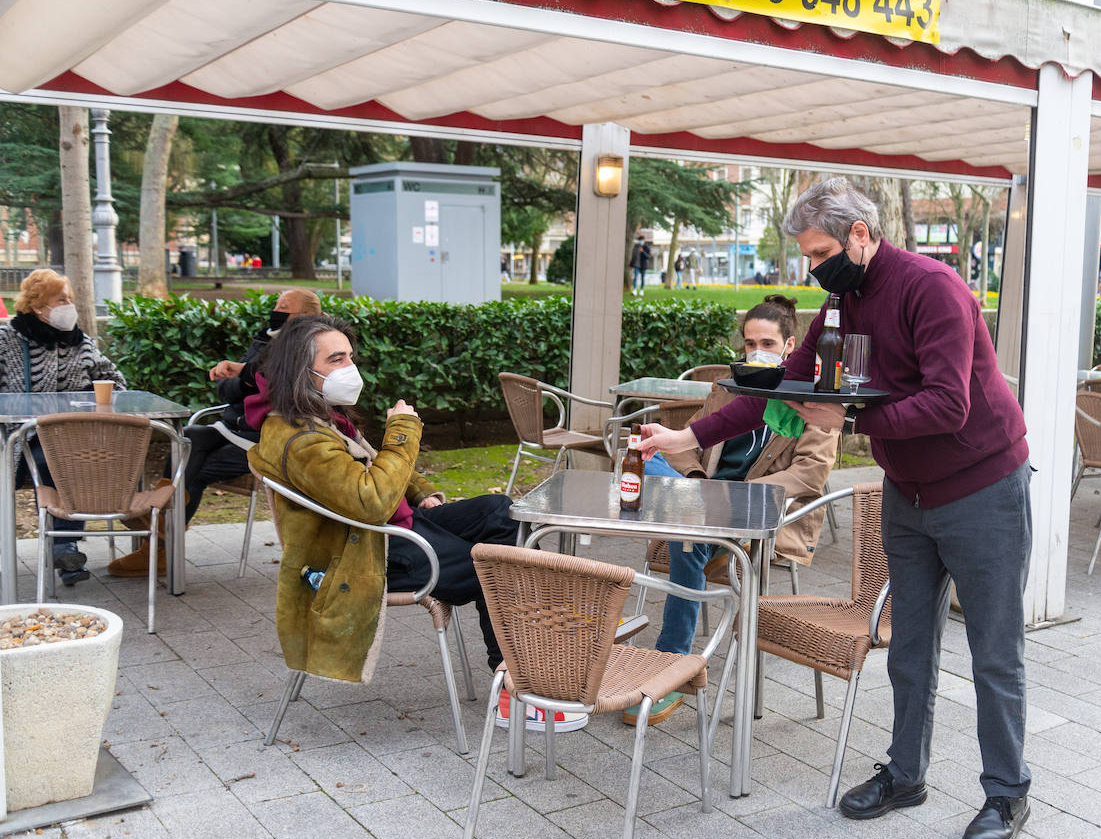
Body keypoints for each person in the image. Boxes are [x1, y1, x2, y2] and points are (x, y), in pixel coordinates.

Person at [639, 178, 1033, 839]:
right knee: (909, 648)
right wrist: (688, 439)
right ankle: (907, 775)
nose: (813, 267)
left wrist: (849, 418)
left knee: (993, 651)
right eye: (806, 256)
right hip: (909, 495)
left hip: (982, 488)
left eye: (820, 251)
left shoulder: (932, 289)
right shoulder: (840, 302)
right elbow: (784, 388)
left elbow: (948, 405)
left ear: (860, 233)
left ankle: (1006, 790)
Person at [245, 316, 583, 729]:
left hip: (393, 529)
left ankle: (540, 626)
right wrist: (403, 431)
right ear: (302, 370)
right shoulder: (301, 440)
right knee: (497, 567)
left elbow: (371, 461)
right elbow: (370, 499)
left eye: (350, 356)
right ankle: (516, 685)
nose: (350, 367)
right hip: (368, 553)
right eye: (336, 358)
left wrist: (422, 492)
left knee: (499, 510)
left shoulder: (320, 417)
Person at [628, 295, 839, 726]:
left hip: (766, 514)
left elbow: (810, 475)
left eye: (766, 342)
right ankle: (697, 539)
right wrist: (697, 485)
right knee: (661, 479)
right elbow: (692, 445)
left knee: (687, 538)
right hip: (708, 502)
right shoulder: (728, 386)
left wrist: (733, 500)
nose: (755, 350)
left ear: (790, 345)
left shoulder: (814, 397)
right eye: (748, 343)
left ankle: (673, 665)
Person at [106, 290, 322, 577]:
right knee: (187, 438)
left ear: (307, 316)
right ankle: (160, 531)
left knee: (195, 468)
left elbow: (269, 378)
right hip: (238, 425)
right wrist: (245, 381)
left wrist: (242, 378)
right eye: (276, 304)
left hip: (271, 437)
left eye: (286, 307)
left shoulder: (309, 345)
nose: (277, 310)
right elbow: (229, 387)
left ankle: (159, 540)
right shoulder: (266, 337)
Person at [0, 269, 125, 585]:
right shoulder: (7, 341)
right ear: (39, 306)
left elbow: (118, 382)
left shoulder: (80, 342)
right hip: (15, 435)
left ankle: (65, 547)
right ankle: (59, 547)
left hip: (68, 437)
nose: (69, 305)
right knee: (50, 457)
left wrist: (92, 394)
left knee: (67, 459)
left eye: (70, 298)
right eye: (61, 299)